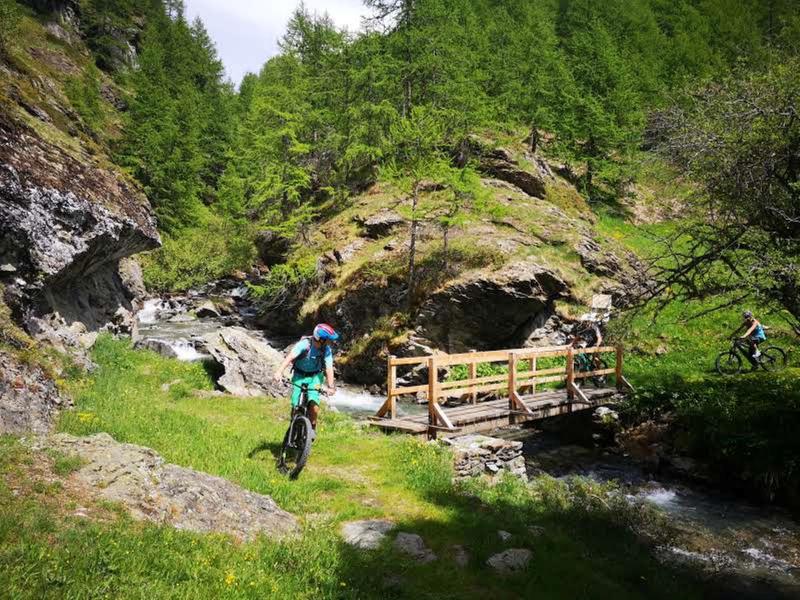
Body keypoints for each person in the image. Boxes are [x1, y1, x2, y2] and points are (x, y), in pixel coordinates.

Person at [273, 323, 339, 431]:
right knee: (295, 402)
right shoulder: (304, 345)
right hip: (299, 375)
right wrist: (279, 372)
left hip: (315, 377)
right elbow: (290, 357)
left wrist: (331, 386)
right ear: (320, 339)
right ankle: (293, 425)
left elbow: (329, 368)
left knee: (313, 403)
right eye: (327, 340)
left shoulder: (326, 350)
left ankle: (312, 428)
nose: (329, 343)